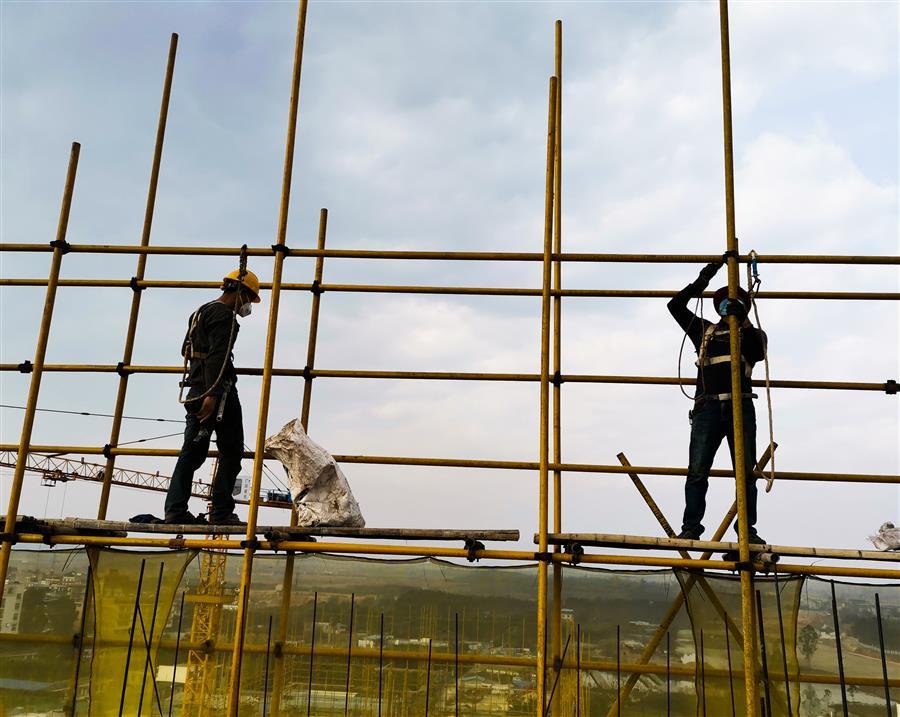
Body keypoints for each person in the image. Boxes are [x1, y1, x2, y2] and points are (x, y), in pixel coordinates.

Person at [668, 260, 767, 543]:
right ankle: (691, 527)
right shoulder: (704, 331)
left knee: (745, 474)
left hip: (740, 406)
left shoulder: (752, 334)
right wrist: (703, 280)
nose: (729, 307)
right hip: (707, 408)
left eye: (734, 303)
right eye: (725, 303)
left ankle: (746, 531)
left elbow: (758, 353)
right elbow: (675, 306)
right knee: (697, 472)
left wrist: (744, 321)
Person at [163, 268, 261, 525]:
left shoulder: (200, 312)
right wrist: (213, 394)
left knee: (191, 452)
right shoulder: (225, 316)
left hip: (196, 390)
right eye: (249, 299)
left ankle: (175, 509)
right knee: (231, 451)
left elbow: (186, 350)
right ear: (240, 292)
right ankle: (221, 511)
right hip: (218, 393)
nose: (248, 306)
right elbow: (218, 356)